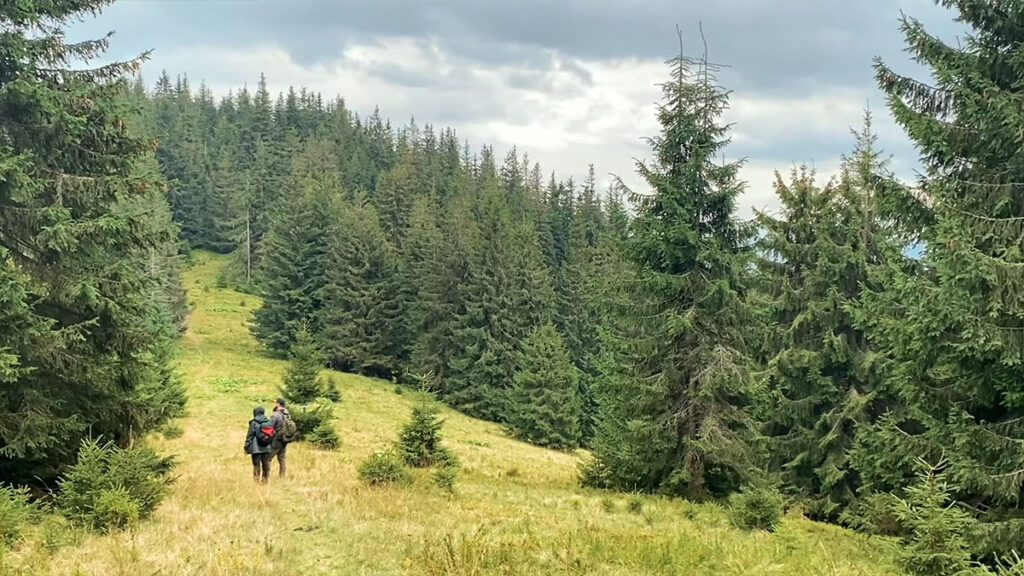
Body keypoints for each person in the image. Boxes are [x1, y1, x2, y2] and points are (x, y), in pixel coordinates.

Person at [244, 406, 273, 484]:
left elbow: (250, 435)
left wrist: (246, 447)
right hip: (266, 446)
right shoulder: (268, 422)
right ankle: (265, 481)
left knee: (256, 465)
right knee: (266, 464)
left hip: (256, 447)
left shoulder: (254, 422)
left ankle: (256, 482)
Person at [269, 397, 292, 478]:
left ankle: (266, 475)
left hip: (276, 439)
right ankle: (282, 476)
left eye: (275, 402)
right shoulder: (287, 414)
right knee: (282, 458)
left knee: (268, 458)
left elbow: (270, 427)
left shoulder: (275, 415)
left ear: (278, 404)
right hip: (285, 439)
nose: (274, 404)